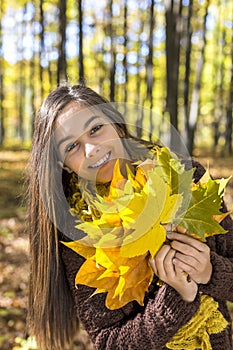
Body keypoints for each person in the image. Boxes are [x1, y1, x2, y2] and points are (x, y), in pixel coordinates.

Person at [27, 83, 233, 350]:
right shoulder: (79, 233)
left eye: (96, 129)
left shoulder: (187, 178)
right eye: (72, 147)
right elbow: (109, 341)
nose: (92, 150)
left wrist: (209, 271)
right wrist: (177, 297)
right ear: (63, 164)